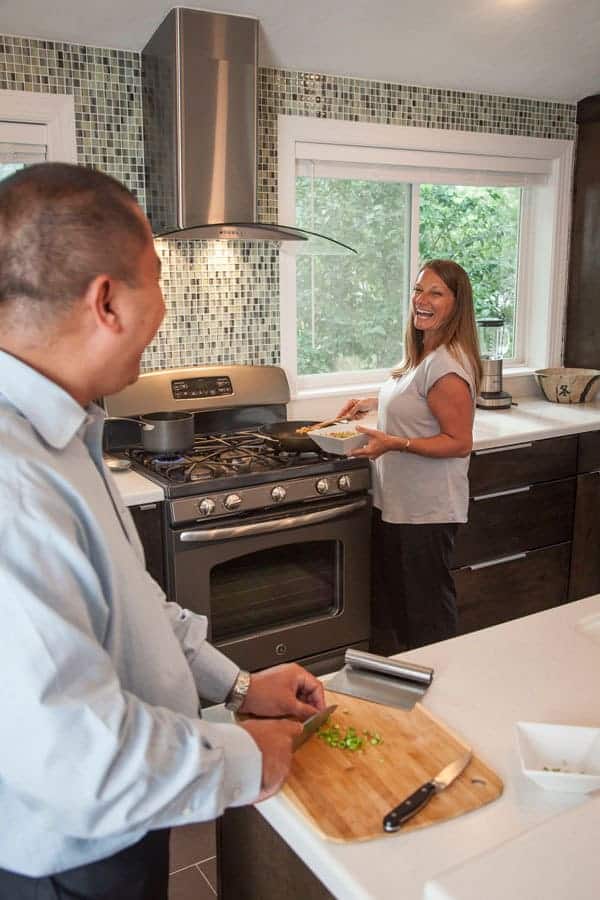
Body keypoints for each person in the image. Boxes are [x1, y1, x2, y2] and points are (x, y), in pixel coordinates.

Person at [0, 162, 326, 900]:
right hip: (64, 862)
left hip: (116, 831)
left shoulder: (63, 431)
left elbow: (133, 606)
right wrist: (250, 757)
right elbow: (82, 766)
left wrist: (237, 687)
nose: (166, 303)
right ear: (108, 302)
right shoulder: (11, 485)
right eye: (157, 277)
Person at [337, 259, 482, 654]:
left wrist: (393, 443)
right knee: (402, 611)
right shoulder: (423, 354)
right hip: (400, 505)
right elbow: (416, 402)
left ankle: (441, 692)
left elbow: (459, 441)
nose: (422, 300)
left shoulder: (447, 365)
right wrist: (369, 403)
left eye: (436, 293)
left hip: (426, 512)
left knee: (426, 616)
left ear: (456, 304)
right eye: (419, 290)